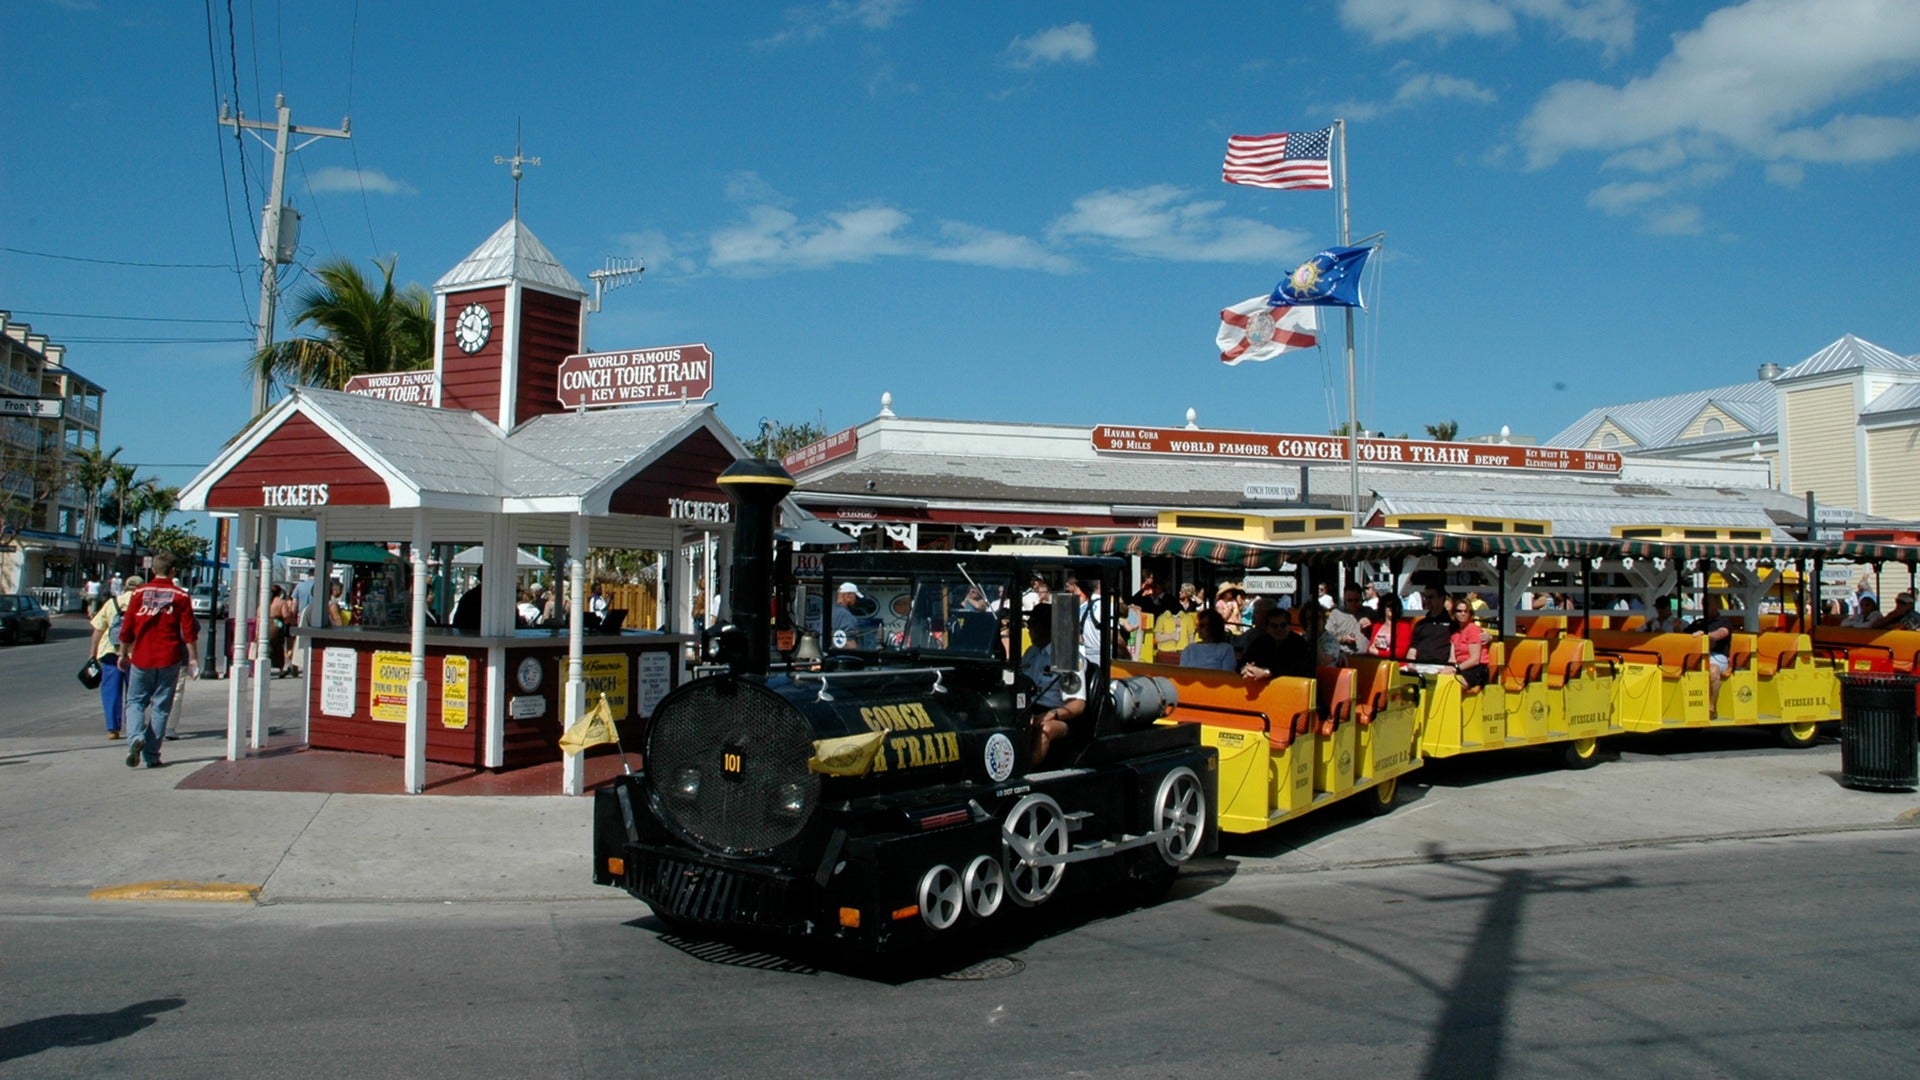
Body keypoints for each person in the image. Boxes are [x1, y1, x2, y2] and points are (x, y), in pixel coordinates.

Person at [120, 555, 199, 769]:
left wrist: (122, 653)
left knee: (135, 701)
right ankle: (152, 753)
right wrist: (193, 658)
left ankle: (135, 737)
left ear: (153, 570)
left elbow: (127, 627)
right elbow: (189, 631)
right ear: (173, 570)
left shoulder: (138, 593)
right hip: (169, 657)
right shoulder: (180, 596)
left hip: (142, 656)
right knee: (161, 707)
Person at [1021, 603, 1087, 765]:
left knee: (1044, 728)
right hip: (1030, 710)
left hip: (1062, 718)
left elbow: (1077, 704)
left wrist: (1053, 714)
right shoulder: (1031, 653)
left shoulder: (1064, 656)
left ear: (1046, 627)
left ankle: (1027, 773)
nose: (1029, 629)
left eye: (1032, 624)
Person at [88, 575, 141, 740]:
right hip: (135, 653)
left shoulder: (112, 603)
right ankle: (134, 725)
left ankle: (113, 727)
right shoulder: (142, 604)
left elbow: (98, 630)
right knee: (135, 693)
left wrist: (93, 654)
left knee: (111, 691)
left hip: (110, 651)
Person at [1686, 594, 1739, 718]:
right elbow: (1685, 633)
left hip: (1718, 656)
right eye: (1703, 604)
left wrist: (1705, 635)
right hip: (1699, 655)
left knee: (1713, 670)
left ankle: (1711, 708)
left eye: (1708, 604)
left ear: (1716, 606)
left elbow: (1722, 633)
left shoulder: (1724, 622)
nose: (1705, 607)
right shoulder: (1699, 622)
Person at [1242, 605, 1315, 682]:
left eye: (1283, 625)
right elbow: (1245, 661)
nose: (1279, 629)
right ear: (1267, 628)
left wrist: (1267, 672)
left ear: (1289, 626)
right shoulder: (1260, 642)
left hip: (1291, 688)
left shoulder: (1299, 643)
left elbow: (1296, 669)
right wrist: (1246, 669)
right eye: (1274, 626)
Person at [1447, 596, 1490, 687]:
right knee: (1443, 678)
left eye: (1465, 611)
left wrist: (1455, 669)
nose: (1462, 614)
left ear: (1470, 613)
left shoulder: (1473, 629)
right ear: (1454, 614)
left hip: (1477, 669)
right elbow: (1452, 658)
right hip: (1461, 667)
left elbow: (1474, 660)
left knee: (1454, 684)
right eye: (1459, 611)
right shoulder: (1454, 633)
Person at [1409, 587, 1457, 664]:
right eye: (1425, 597)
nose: (1427, 601)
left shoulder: (1452, 624)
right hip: (1418, 666)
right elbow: (1413, 648)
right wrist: (1410, 663)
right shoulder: (1420, 624)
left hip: (1441, 667)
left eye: (1431, 597)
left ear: (1441, 598)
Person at [1322, 584, 1366, 666]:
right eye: (1350, 600)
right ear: (1344, 599)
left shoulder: (1369, 613)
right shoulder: (1336, 614)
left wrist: (1369, 621)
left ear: (1361, 598)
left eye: (1356, 600)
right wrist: (1343, 638)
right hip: (1343, 659)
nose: (1353, 603)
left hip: (1365, 659)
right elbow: (1327, 637)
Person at [1367, 592, 1412, 660]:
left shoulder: (1404, 626)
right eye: (1389, 606)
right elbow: (1370, 648)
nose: (1392, 608)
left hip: (1395, 665)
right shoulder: (1377, 625)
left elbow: (1400, 653)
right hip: (1377, 663)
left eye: (1394, 606)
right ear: (1383, 607)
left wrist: (1379, 653)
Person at [269, 584, 299, 677]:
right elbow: (286, 615)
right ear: (279, 592)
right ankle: (280, 669)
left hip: (266, 623)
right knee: (278, 647)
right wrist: (294, 623)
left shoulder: (266, 601)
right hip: (276, 625)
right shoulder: (281, 602)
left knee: (267, 646)